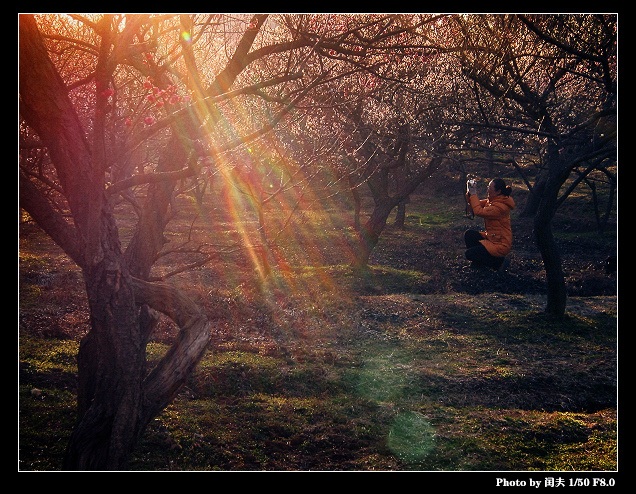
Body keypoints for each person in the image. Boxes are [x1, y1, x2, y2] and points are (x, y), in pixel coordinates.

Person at [464, 178, 515, 272]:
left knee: (469, 254)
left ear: (498, 191)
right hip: (492, 238)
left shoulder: (500, 207)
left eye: (490, 188)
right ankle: (478, 263)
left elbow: (478, 211)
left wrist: (474, 193)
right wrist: (470, 192)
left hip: (500, 244)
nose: (488, 189)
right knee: (469, 235)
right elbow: (475, 204)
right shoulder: (493, 201)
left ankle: (499, 262)